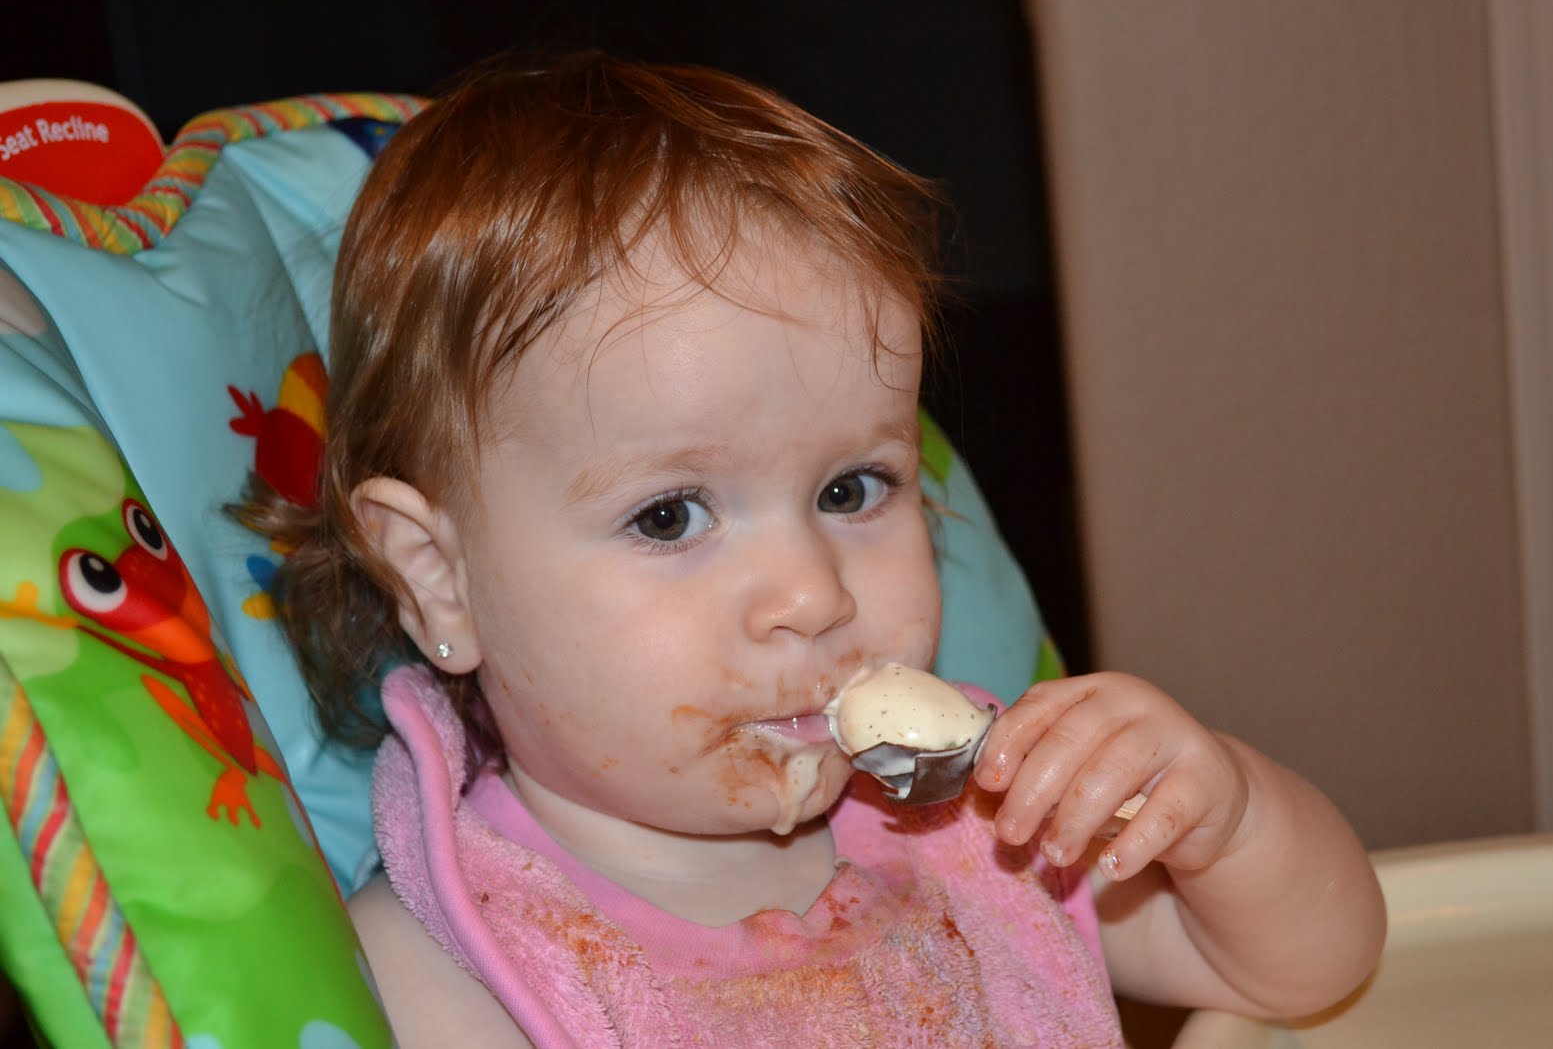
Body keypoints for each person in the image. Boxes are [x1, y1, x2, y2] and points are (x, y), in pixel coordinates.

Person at [239, 52, 1385, 1047]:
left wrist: (1228, 811)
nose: (811, 593)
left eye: (850, 488)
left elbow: (1300, 967)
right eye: (669, 514)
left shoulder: (987, 831)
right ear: (441, 576)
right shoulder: (441, 969)